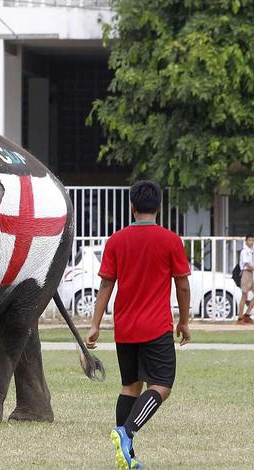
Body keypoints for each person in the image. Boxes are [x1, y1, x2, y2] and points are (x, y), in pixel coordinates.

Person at [85, 181, 191, 470]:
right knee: (162, 385)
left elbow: (106, 283)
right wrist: (184, 320)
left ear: (132, 206)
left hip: (125, 327)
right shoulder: (170, 240)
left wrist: (95, 325)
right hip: (156, 327)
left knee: (130, 386)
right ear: (159, 207)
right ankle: (126, 432)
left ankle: (128, 455)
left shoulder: (116, 240)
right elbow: (182, 285)